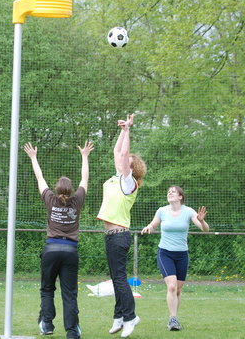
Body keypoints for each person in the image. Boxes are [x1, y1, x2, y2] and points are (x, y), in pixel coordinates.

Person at [24, 141, 94, 339]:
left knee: (47, 289)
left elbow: (39, 177)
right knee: (69, 293)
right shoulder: (77, 200)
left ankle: (47, 324)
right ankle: (72, 331)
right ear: (71, 191)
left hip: (51, 249)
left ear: (56, 189)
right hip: (70, 251)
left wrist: (33, 157)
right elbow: (85, 179)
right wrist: (85, 156)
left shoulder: (50, 199)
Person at [96, 114, 147, 338]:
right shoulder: (117, 177)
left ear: (131, 167)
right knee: (115, 277)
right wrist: (121, 131)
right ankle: (119, 316)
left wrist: (128, 131)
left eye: (128, 160)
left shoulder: (129, 182)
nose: (122, 159)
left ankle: (130, 317)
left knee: (119, 278)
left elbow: (124, 153)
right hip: (111, 236)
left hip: (119, 236)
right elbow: (118, 153)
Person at [141, 186, 209, 331]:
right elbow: (153, 225)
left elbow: (205, 229)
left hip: (182, 255)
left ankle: (174, 317)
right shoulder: (162, 211)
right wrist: (148, 228)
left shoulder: (189, 211)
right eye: (168, 192)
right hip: (165, 253)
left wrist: (202, 221)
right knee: (171, 286)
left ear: (180, 197)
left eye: (173, 191)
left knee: (177, 290)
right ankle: (173, 320)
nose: (170, 193)